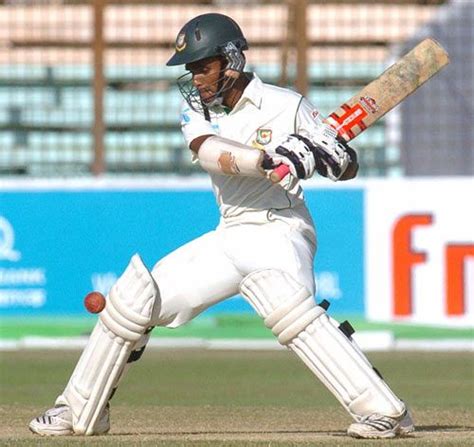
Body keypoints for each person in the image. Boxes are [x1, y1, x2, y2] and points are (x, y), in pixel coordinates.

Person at [29, 13, 414, 439]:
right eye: (191, 69)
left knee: (286, 304)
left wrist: (324, 157)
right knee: (134, 299)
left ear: (231, 59)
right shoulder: (198, 113)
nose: (195, 79)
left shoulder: (287, 105)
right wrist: (264, 160)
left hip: (281, 228)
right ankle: (81, 408)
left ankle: (385, 411)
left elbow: (346, 167)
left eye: (202, 66)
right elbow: (209, 151)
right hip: (230, 232)